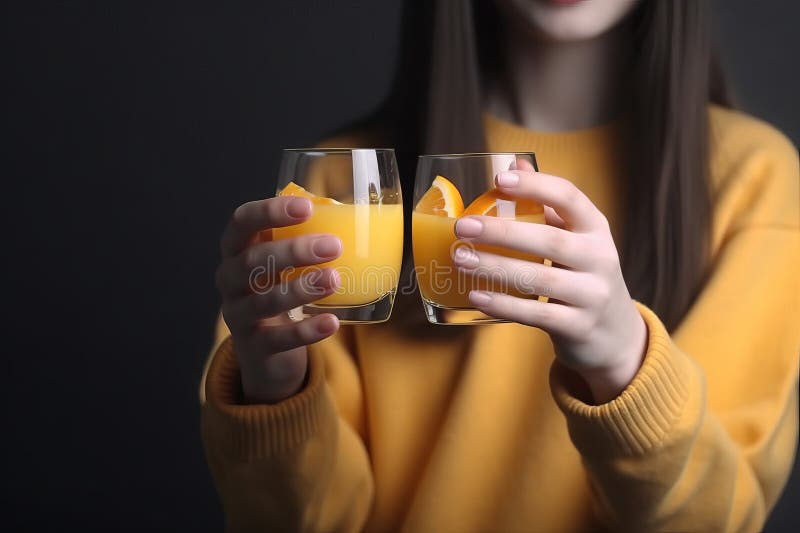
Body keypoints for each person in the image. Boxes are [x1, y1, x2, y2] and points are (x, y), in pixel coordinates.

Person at [201, 0, 800, 531]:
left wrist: (625, 360)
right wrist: (275, 392)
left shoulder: (751, 182)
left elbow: (718, 519)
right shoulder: (342, 189)